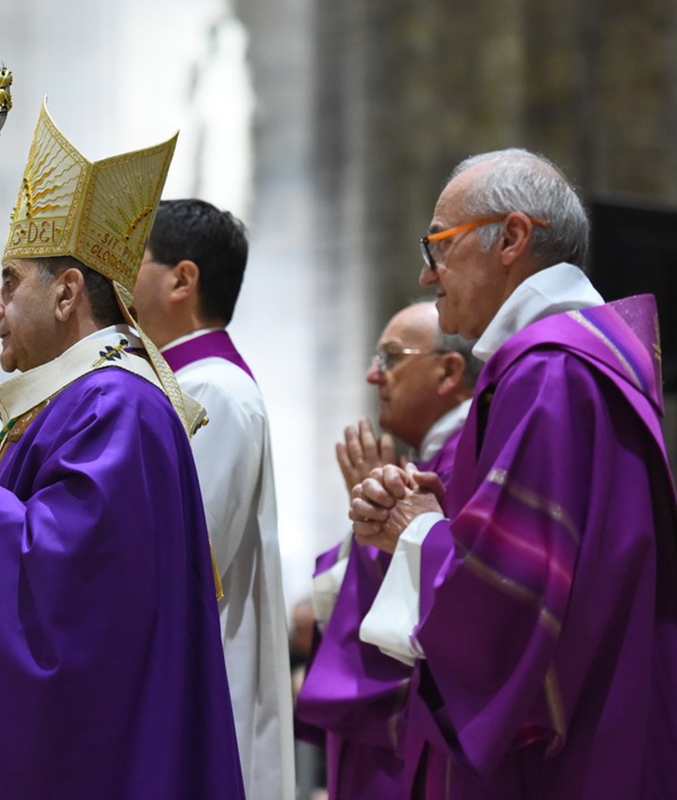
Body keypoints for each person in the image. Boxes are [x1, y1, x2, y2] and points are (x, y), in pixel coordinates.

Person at [0, 102, 244, 799]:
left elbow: (77, 598)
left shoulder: (115, 406)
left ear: (65, 294)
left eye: (9, 281)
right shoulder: (76, 402)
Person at [350, 148, 677, 798]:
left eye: (437, 245)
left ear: (513, 238)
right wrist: (444, 510)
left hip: (562, 758)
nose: (424, 275)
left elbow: (513, 594)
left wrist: (415, 532)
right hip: (612, 712)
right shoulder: (587, 356)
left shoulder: (549, 369)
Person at [131, 197, 294, 799]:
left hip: (202, 692)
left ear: (183, 279)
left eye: (133, 261)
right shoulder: (177, 385)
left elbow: (185, 559)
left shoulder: (215, 393)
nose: (116, 279)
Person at [296, 300, 477, 798]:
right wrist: (368, 525)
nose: (374, 376)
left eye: (391, 357)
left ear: (448, 371)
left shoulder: (464, 460)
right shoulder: (432, 459)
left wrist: (378, 536)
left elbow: (454, 600)